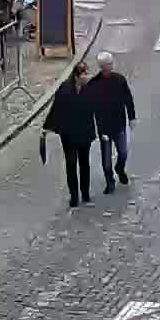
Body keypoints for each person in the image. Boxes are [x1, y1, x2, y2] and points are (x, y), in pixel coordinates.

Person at [42, 61, 97, 208]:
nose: (88, 76)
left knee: (84, 163)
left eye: (87, 73)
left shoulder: (90, 89)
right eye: (85, 74)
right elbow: (56, 108)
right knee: (71, 163)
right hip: (69, 134)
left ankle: (85, 192)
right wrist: (47, 127)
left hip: (85, 131)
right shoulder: (65, 88)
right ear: (77, 76)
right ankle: (74, 195)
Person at [85, 52, 137, 194]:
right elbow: (88, 107)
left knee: (123, 152)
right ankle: (109, 181)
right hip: (104, 128)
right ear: (103, 67)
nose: (111, 67)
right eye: (108, 65)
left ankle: (120, 169)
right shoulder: (94, 84)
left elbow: (128, 99)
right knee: (106, 158)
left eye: (111, 64)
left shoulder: (119, 80)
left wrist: (132, 117)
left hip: (119, 124)